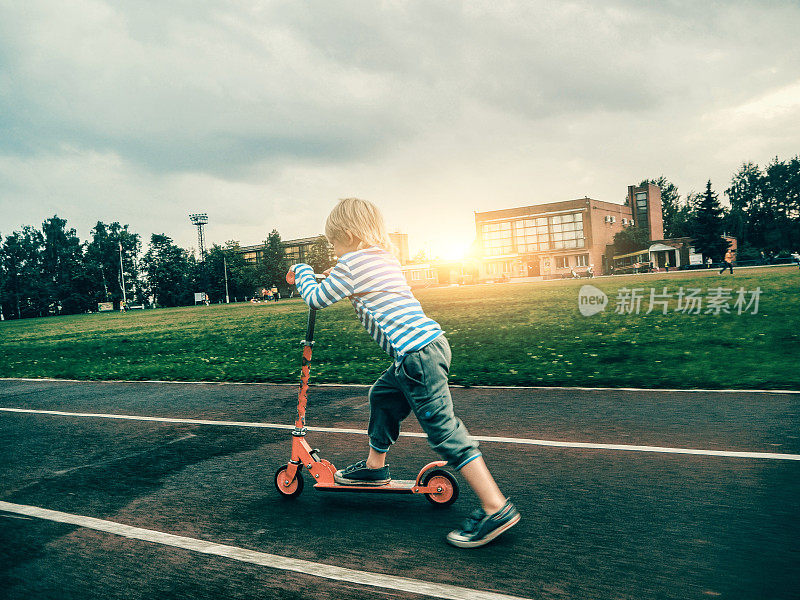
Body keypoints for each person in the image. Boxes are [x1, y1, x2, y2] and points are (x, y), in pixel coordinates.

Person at [288, 198, 520, 548]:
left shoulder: (350, 264)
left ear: (348, 236)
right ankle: (374, 466)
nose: (334, 251)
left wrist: (302, 271)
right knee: (382, 395)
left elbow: (317, 298)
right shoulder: (383, 258)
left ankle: (495, 506)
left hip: (416, 358)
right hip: (426, 348)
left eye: (333, 243)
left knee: (444, 431)